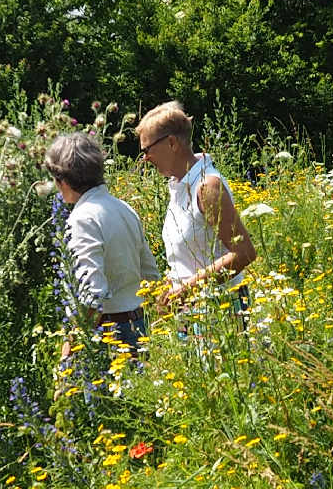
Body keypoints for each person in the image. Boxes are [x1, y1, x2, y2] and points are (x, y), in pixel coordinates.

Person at [135, 101, 256, 313]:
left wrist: (185, 290)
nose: (145, 159)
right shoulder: (179, 186)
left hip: (221, 309)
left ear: (171, 143)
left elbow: (244, 252)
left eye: (147, 150)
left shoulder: (207, 187)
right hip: (193, 310)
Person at [44, 130, 157, 355]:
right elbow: (151, 276)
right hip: (139, 326)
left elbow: (91, 295)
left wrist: (71, 346)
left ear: (63, 180)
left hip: (108, 335)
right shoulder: (124, 208)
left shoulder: (82, 219)